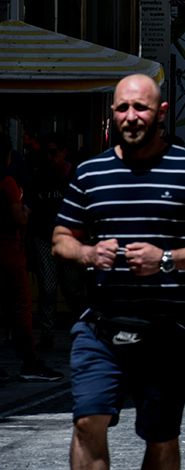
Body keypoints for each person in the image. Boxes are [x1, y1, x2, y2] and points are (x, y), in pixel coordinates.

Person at [53, 74, 185, 470]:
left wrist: (167, 259)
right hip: (102, 324)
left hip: (168, 329)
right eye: (122, 109)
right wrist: (87, 252)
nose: (131, 117)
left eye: (141, 108)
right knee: (88, 420)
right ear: (112, 113)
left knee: (160, 434)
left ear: (161, 113)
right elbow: (61, 237)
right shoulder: (90, 173)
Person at [0, 136, 61, 380]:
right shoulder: (7, 182)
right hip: (7, 250)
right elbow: (18, 218)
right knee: (21, 309)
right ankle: (30, 362)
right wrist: (24, 207)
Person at [26, 134, 87, 351]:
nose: (49, 157)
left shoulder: (77, 176)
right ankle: (48, 332)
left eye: (53, 152)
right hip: (44, 237)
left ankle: (84, 328)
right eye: (46, 153)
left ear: (63, 152)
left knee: (73, 290)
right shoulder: (38, 177)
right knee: (48, 287)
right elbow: (29, 207)